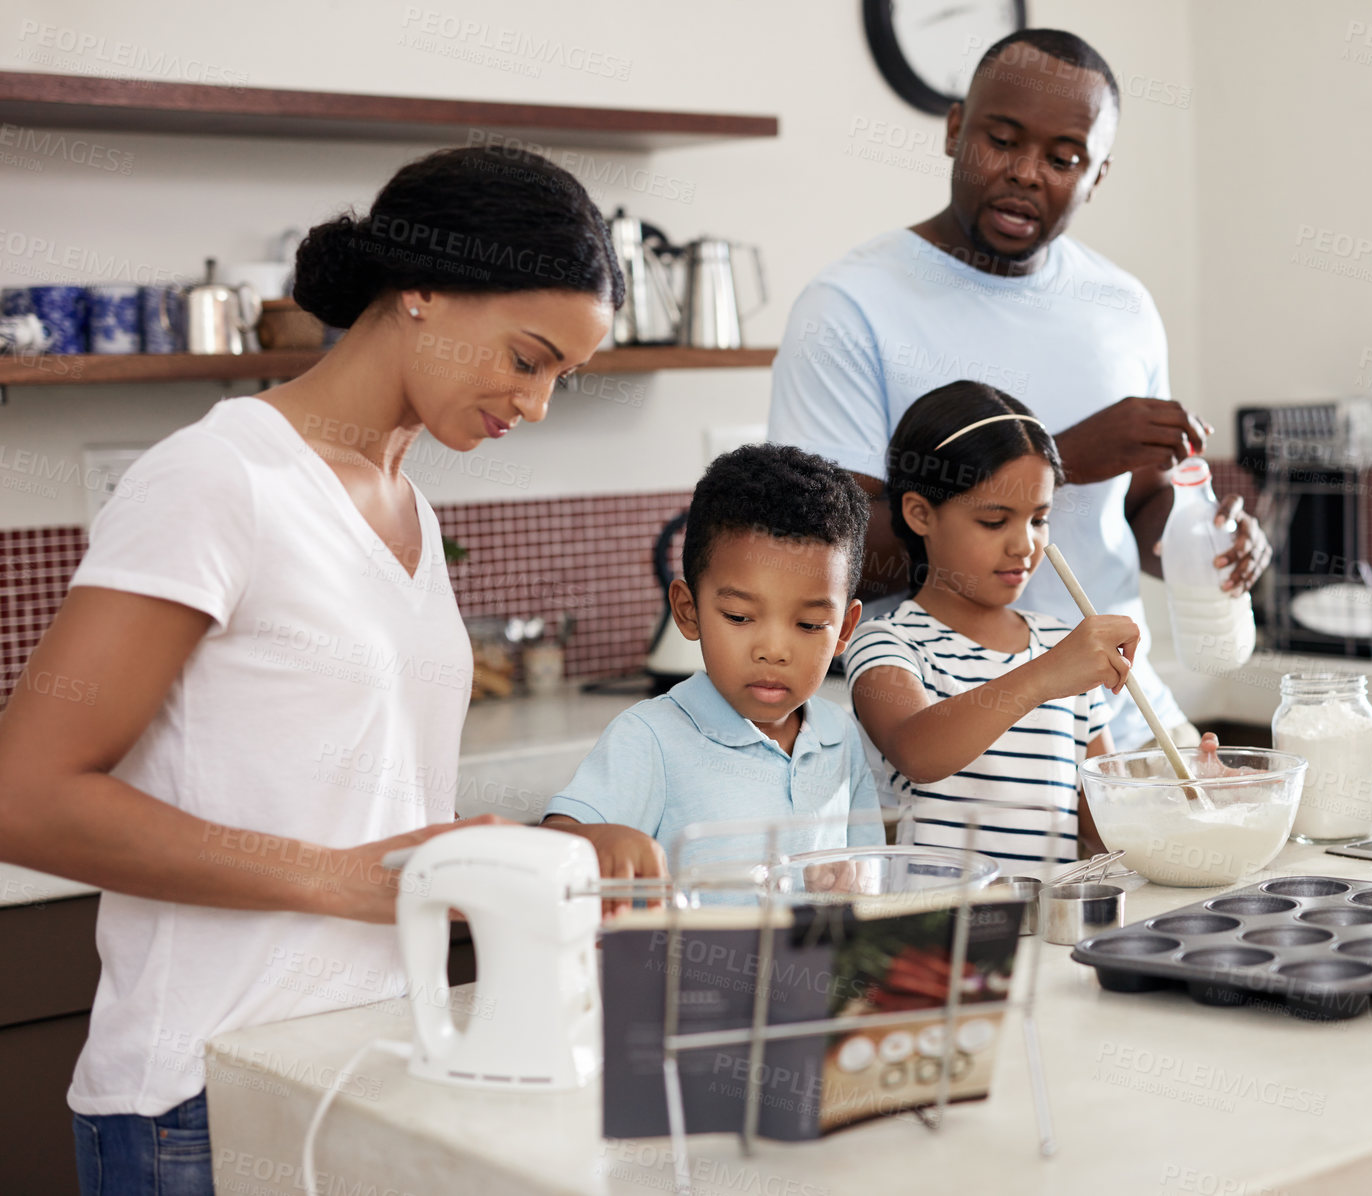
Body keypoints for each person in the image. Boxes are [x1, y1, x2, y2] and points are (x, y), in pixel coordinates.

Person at [0, 145, 663, 1196]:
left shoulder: (407, 501)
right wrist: (348, 879)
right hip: (201, 1098)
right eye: (528, 357)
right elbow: (24, 797)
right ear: (424, 290)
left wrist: (540, 856)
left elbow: (356, 795)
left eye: (561, 378)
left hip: (362, 1075)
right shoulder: (220, 479)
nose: (536, 403)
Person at [769, 28, 1271, 762]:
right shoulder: (851, 306)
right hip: (946, 732)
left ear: (1097, 174)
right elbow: (820, 559)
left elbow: (1138, 511)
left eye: (1064, 158)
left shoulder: (1121, 306)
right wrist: (1056, 460)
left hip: (1119, 723)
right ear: (953, 131)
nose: (1026, 173)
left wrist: (1207, 545)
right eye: (1001, 140)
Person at [542, 444, 885, 874]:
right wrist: (594, 840)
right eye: (740, 617)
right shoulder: (650, 740)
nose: (774, 651)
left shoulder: (841, 737)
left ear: (845, 630)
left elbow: (870, 875)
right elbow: (552, 850)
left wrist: (852, 891)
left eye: (811, 624)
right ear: (688, 611)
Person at [844, 382, 1141, 872]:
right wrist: (1046, 675)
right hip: (939, 932)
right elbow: (918, 751)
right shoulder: (888, 642)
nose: (1025, 545)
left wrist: (1188, 801)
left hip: (1050, 931)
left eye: (1038, 519)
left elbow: (1100, 829)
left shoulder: (1060, 645)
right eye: (993, 521)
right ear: (920, 513)